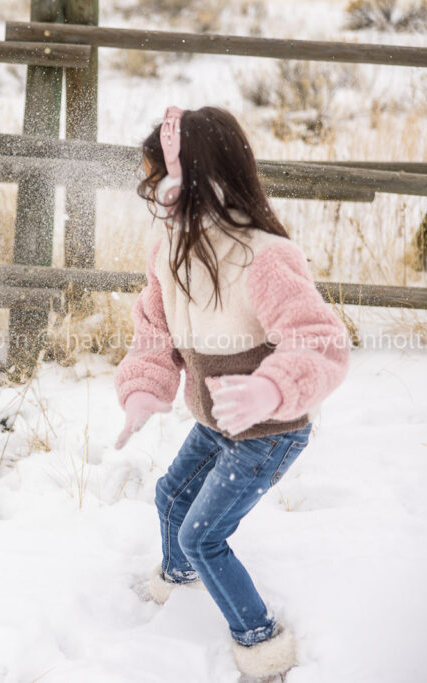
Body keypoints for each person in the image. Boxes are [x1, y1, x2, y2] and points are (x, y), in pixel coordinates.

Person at [114, 106, 349, 679]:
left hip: (269, 433)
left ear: (202, 180)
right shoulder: (169, 251)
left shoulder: (262, 257)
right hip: (218, 420)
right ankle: (177, 585)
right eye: (154, 186)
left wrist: (271, 390)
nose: (158, 199)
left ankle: (261, 641)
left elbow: (320, 341)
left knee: (202, 533)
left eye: (167, 182)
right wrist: (146, 388)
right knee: (171, 496)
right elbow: (155, 327)